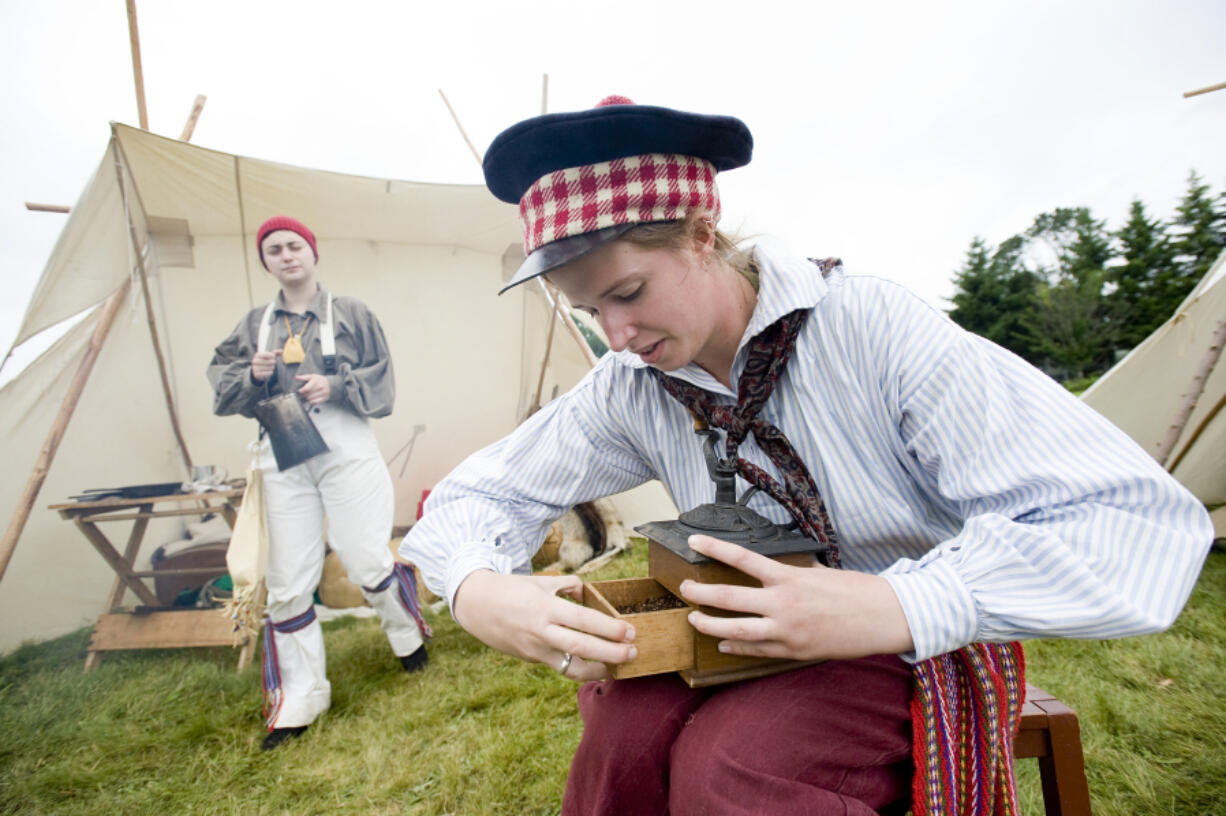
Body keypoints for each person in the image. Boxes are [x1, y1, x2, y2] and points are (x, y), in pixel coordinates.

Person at [400, 98, 1213, 814]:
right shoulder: (629, 386)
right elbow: (475, 499)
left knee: (741, 770)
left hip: (903, 645)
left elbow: (1128, 518)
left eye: (628, 293)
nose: (617, 338)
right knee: (624, 745)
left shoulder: (873, 330)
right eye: (588, 310)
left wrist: (886, 607)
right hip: (729, 635)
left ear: (700, 234)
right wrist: (477, 591)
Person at [209, 215, 431, 751]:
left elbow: (384, 383)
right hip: (281, 453)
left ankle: (409, 637)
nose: (286, 256)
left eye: (294, 246)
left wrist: (334, 384)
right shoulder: (253, 326)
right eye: (274, 250)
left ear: (312, 252)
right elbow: (222, 387)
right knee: (288, 581)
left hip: (344, 445)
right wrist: (253, 377)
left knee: (364, 558)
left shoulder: (351, 313)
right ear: (266, 262)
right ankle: (299, 701)